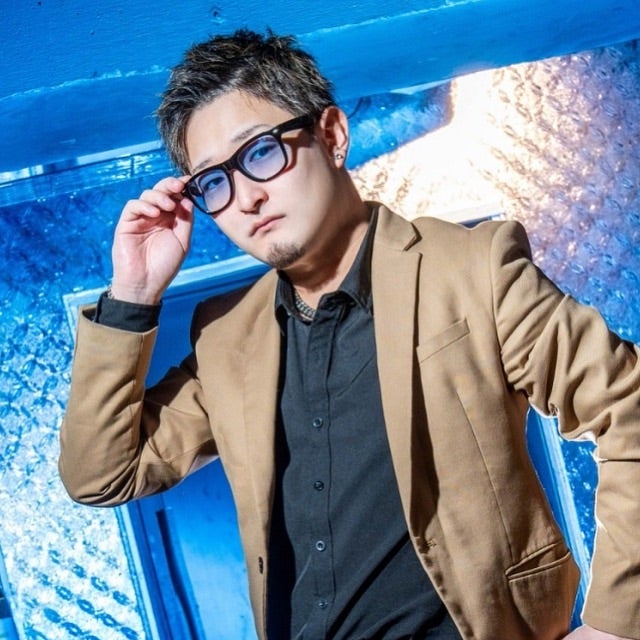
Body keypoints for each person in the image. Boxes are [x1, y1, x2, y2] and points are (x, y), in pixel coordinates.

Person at [59, 29, 639, 640]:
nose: (246, 198)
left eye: (260, 152)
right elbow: (101, 475)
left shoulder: (472, 269)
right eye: (214, 182)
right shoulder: (226, 338)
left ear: (333, 136)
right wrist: (133, 293)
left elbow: (627, 403)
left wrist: (615, 625)